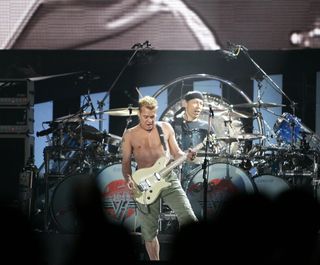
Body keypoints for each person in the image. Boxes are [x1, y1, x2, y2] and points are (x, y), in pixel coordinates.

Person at [121, 95, 198, 260]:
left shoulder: (166, 128)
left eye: (153, 116)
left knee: (189, 217)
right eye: (145, 117)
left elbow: (177, 153)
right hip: (144, 184)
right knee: (149, 233)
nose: (149, 120)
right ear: (139, 114)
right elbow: (126, 163)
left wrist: (188, 156)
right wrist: (128, 179)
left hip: (168, 178)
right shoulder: (130, 135)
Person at [170, 90, 216, 191]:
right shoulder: (174, 125)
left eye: (201, 103)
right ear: (185, 103)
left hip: (199, 172)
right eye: (195, 102)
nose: (199, 106)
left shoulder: (206, 126)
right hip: (176, 171)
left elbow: (214, 151)